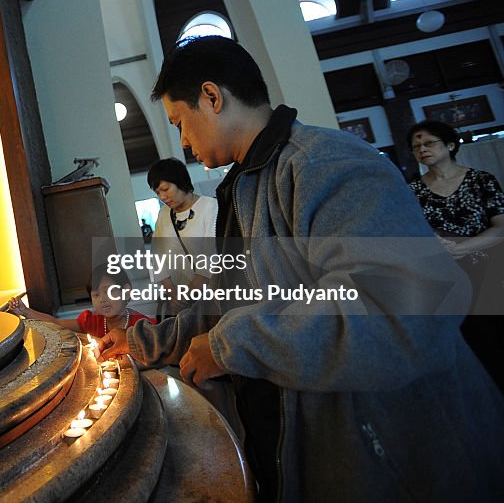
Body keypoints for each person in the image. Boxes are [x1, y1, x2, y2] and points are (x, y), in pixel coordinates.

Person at [97, 35, 504, 503]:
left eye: (180, 123)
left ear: (211, 97)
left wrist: (233, 346)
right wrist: (142, 341)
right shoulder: (245, 186)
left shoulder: (324, 164)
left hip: (403, 459)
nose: (184, 140)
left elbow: (396, 309)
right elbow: (234, 300)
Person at [407, 119, 504, 388]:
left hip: (492, 270)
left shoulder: (481, 180)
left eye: (429, 143)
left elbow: (500, 227)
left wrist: (462, 247)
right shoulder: (411, 191)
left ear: (450, 145)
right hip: (450, 277)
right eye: (416, 147)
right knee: (478, 346)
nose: (422, 149)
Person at [147, 157, 218, 316]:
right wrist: (172, 293)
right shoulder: (164, 214)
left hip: (210, 295)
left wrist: (187, 294)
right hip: (178, 301)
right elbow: (156, 257)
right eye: (157, 192)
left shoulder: (209, 206)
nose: (162, 196)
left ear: (180, 181)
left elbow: (211, 255)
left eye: (165, 189)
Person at [8, 267, 155, 338]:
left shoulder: (142, 325)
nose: (102, 299)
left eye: (109, 291)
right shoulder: (92, 321)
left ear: (127, 291)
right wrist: (26, 311)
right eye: (96, 295)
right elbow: (55, 323)